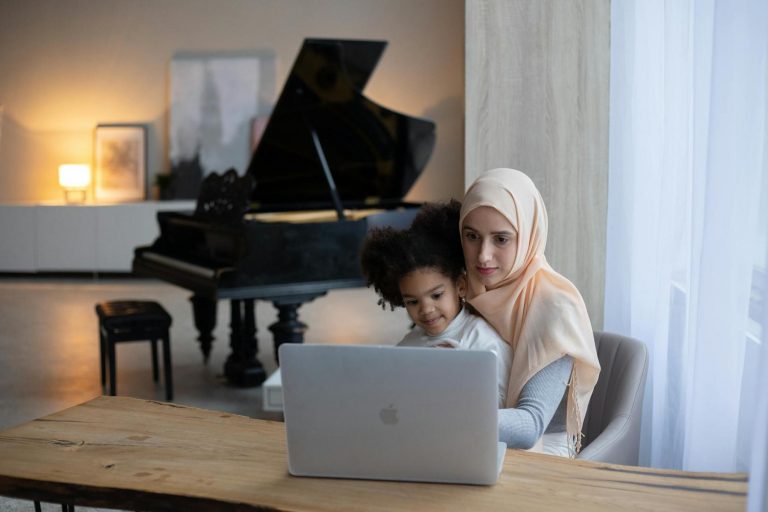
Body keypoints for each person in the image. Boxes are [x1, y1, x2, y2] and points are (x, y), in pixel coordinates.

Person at [460, 168, 601, 457]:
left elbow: (530, 425)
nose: (483, 255)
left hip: (542, 452)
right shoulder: (467, 290)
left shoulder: (556, 307)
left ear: (528, 236)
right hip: (475, 440)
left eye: (501, 239)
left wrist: (438, 418)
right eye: (472, 236)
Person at [360, 201, 512, 407]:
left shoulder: (483, 342)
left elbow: (503, 406)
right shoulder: (406, 347)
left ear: (460, 285)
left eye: (437, 295)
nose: (426, 309)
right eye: (412, 301)